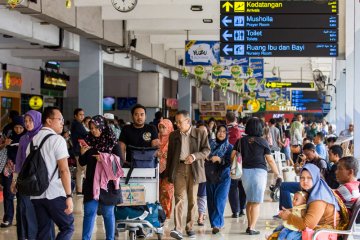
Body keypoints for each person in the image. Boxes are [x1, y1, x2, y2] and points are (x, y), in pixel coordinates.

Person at [269, 163, 348, 240]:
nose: (305, 181)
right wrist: (290, 211)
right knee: (281, 229)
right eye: (302, 178)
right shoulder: (317, 189)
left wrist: (288, 216)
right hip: (319, 228)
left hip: (325, 232)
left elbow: (307, 226)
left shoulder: (318, 199)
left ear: (316, 178)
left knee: (281, 235)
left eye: (309, 178)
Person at [30, 107, 74, 240]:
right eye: (60, 119)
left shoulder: (33, 141)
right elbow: (64, 170)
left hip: (37, 194)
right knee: (67, 227)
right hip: (54, 193)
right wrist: (69, 196)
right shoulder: (57, 140)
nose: (62, 123)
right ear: (49, 121)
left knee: (44, 231)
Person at [166, 110, 210, 240]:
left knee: (192, 200)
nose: (177, 124)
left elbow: (207, 150)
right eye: (176, 122)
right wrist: (169, 173)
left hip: (194, 168)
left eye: (180, 122)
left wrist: (194, 156)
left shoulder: (200, 132)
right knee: (179, 198)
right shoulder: (173, 135)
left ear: (188, 121)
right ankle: (177, 228)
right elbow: (170, 155)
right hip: (179, 168)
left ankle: (189, 227)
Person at [79, 115, 122, 240]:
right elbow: (82, 162)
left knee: (108, 214)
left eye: (96, 128)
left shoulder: (113, 143)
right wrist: (82, 153)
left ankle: (110, 238)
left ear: (102, 127)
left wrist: (104, 158)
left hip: (107, 185)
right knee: (89, 212)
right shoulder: (89, 142)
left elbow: (121, 161)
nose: (93, 130)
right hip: (91, 183)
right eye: (91, 128)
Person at [235, 117, 280, 235]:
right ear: (259, 128)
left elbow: (233, 155)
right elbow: (270, 160)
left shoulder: (241, 141)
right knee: (256, 202)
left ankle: (250, 226)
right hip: (259, 172)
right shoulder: (263, 141)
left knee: (250, 200)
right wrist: (277, 173)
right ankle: (252, 228)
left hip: (245, 172)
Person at [11, 111, 42, 239]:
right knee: (22, 209)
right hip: (24, 180)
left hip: (39, 181)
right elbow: (18, 160)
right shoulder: (24, 138)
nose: (28, 124)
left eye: (31, 121)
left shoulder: (42, 137)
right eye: (26, 121)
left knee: (35, 211)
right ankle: (23, 237)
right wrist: (14, 180)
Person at [205, 125, 232, 234]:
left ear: (227, 134)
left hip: (224, 176)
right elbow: (204, 156)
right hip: (210, 175)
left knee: (219, 200)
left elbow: (229, 162)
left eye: (224, 132)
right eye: (219, 131)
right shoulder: (209, 145)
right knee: (211, 200)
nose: (221, 134)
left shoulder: (229, 147)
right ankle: (214, 223)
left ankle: (217, 224)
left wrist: (220, 159)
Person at [1, 116, 25, 228]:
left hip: (22, 169)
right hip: (9, 167)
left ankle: (20, 219)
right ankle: (8, 218)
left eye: (21, 127)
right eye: (16, 127)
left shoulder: (27, 138)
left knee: (21, 195)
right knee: (8, 193)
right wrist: (5, 144)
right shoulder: (9, 135)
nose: (18, 130)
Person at [226, 111, 246, 218]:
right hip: (243, 160)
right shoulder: (243, 129)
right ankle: (242, 208)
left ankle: (235, 211)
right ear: (236, 119)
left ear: (226, 119)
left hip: (230, 160)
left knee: (232, 186)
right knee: (242, 185)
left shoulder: (224, 130)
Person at [158, 119, 174, 219]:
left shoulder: (173, 139)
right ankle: (159, 213)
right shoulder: (156, 139)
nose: (162, 129)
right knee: (157, 193)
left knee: (167, 193)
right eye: (160, 127)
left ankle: (166, 214)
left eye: (164, 127)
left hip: (169, 170)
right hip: (156, 170)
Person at [70, 108, 88, 195]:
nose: (82, 116)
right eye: (80, 115)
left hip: (78, 150)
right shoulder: (77, 124)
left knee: (80, 171)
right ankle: (81, 190)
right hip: (79, 151)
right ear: (75, 116)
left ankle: (79, 190)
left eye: (83, 115)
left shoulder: (77, 124)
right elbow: (86, 134)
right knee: (83, 171)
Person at [196, 123, 209, 226]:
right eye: (199, 131)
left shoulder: (211, 144)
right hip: (194, 172)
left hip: (206, 173)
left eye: (204, 131)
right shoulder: (192, 143)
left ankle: (201, 215)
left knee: (202, 194)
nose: (201, 133)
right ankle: (202, 213)